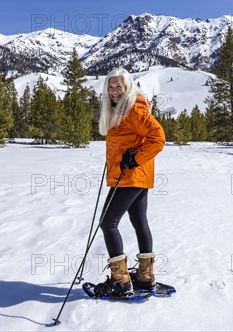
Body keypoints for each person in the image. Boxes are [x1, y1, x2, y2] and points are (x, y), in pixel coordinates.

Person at [94, 67, 166, 297]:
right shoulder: (119, 108)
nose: (114, 91)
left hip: (131, 176)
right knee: (139, 222)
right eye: (111, 87)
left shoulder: (133, 108)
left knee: (108, 223)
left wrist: (134, 159)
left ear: (127, 87)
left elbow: (158, 138)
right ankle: (144, 278)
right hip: (134, 175)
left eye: (119, 87)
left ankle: (120, 281)